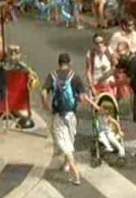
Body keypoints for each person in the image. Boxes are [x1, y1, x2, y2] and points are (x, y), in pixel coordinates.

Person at [42, 53, 89, 185]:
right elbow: (81, 97)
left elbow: (43, 91)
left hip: (59, 114)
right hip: (72, 114)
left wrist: (45, 104)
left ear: (59, 62)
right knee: (70, 139)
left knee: (62, 141)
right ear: (69, 62)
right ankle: (66, 164)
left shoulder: (52, 75)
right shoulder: (75, 76)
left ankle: (74, 171)